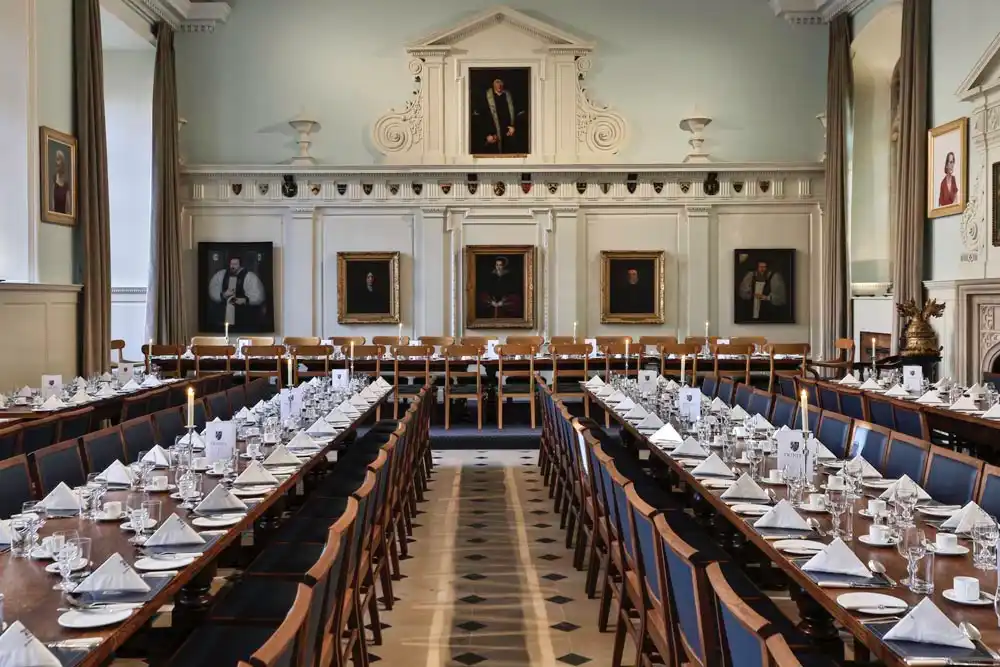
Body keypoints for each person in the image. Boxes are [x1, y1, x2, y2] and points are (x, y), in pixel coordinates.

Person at [208, 256, 267, 330]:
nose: (233, 266)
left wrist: (244, 300)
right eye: (231, 264)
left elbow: (259, 296)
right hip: (222, 318)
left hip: (244, 320)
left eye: (235, 264)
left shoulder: (250, 277)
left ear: (240, 265)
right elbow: (212, 290)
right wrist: (224, 295)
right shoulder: (221, 275)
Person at [470, 78, 527, 155]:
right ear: (493, 84)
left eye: (500, 82)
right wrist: (486, 136)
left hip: (508, 136)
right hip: (493, 138)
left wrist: (514, 127)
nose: (499, 85)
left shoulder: (510, 96)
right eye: (497, 82)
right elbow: (479, 119)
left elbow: (520, 114)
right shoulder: (484, 98)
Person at [51, 150, 70, 214]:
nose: (56, 162)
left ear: (62, 162)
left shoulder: (66, 183)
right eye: (56, 159)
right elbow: (52, 205)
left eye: (58, 159)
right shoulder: (53, 180)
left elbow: (68, 207)